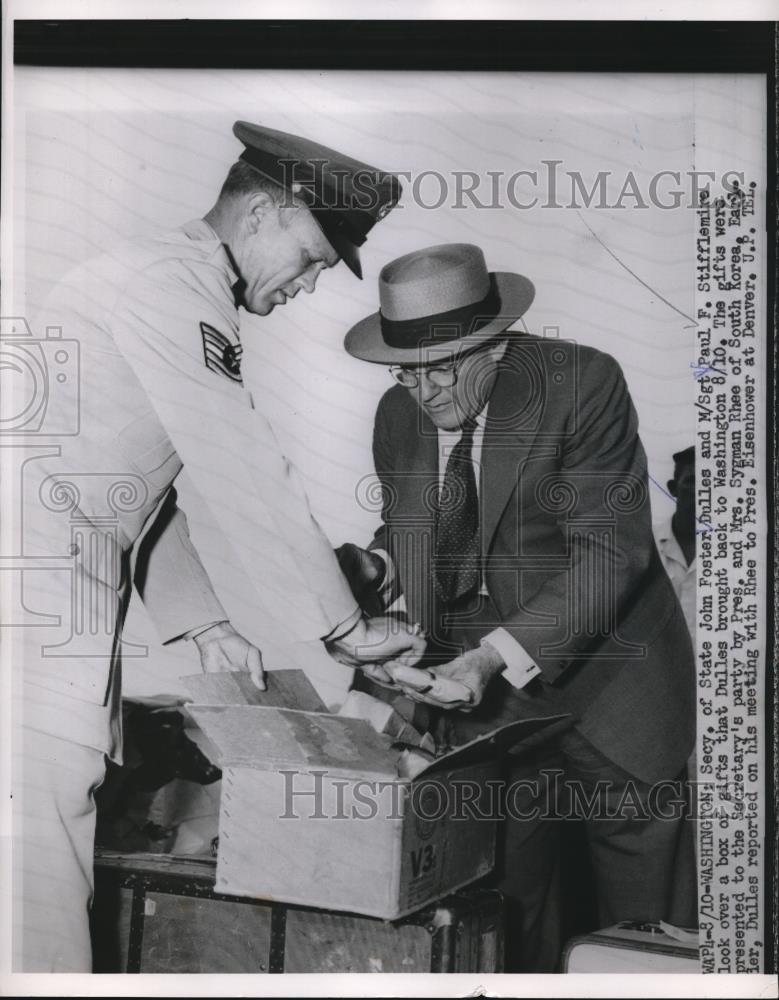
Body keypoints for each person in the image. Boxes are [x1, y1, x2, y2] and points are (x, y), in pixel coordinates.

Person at [14, 121, 425, 972]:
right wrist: (347, 630)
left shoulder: (141, 276)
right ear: (266, 212)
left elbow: (135, 488)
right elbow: (242, 471)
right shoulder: (174, 288)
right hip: (32, 638)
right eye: (313, 258)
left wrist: (203, 626)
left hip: (35, 612)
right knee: (39, 896)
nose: (310, 285)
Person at [338, 243, 696, 972]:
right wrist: (375, 569)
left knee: (641, 936)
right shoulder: (395, 414)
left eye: (444, 369)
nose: (425, 392)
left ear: (496, 348)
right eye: (407, 372)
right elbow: (419, 525)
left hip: (612, 690)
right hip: (489, 705)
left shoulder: (579, 383)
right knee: (502, 913)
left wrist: (489, 656)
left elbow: (610, 553)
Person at [653, 446, 696, 637]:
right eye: (691, 481)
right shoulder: (646, 545)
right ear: (673, 488)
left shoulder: (734, 552)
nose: (700, 491)